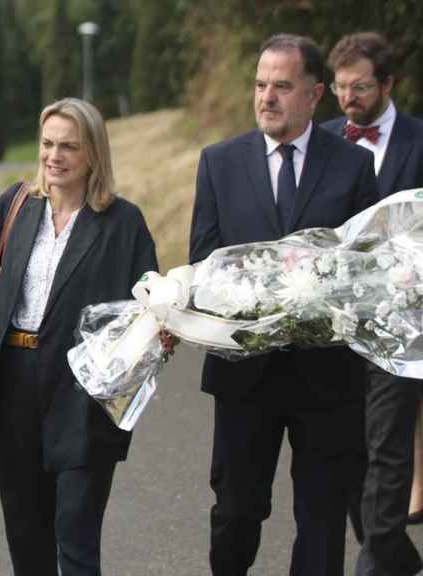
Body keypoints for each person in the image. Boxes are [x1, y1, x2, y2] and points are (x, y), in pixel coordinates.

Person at [0, 98, 158, 575]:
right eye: (47, 144)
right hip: (12, 383)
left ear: (93, 155)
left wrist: (161, 329)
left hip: (82, 393)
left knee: (77, 539)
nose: (53, 156)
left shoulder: (123, 223)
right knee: (26, 536)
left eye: (68, 147)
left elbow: (150, 306)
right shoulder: (16, 206)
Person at [189, 34, 379, 575]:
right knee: (236, 512)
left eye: (282, 86)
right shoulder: (219, 164)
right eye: (260, 84)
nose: (266, 97)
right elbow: (205, 262)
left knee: (320, 520)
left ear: (314, 94)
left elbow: (363, 269)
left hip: (327, 377)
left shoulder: (352, 167)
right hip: (244, 375)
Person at [320, 31, 423, 576]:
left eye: (359, 87)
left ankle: (372, 567)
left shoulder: (420, 142)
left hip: (404, 324)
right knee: (345, 451)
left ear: (388, 83)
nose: (347, 99)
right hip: (336, 322)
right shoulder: (324, 140)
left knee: (388, 447)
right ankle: (396, 557)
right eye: (339, 88)